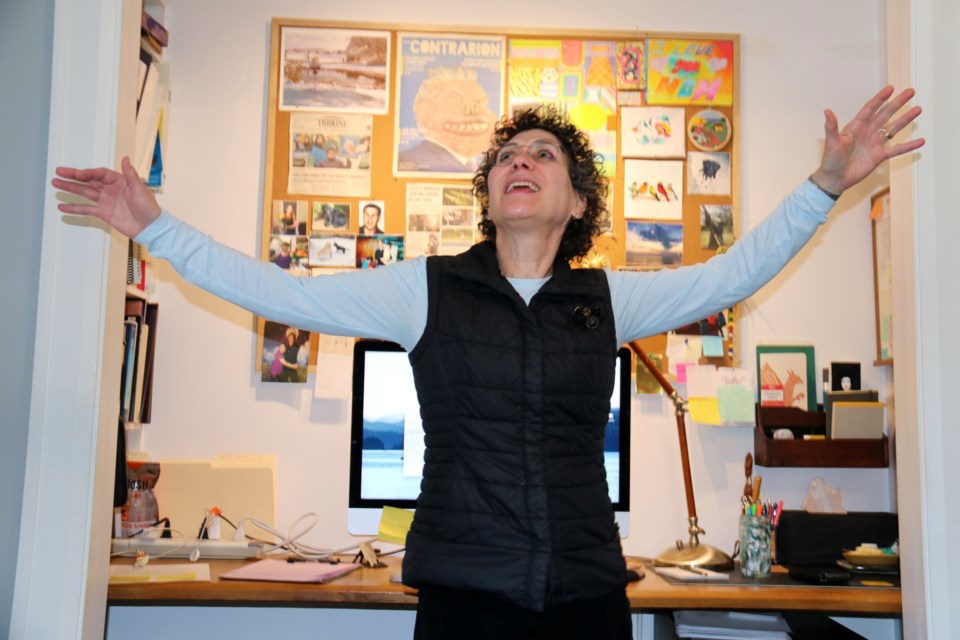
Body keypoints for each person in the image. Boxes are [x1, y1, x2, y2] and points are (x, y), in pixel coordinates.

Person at [51, 86, 923, 639]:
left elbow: (735, 271)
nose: (521, 162)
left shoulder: (608, 301)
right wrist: (155, 228)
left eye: (544, 155)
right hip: (467, 603)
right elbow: (284, 294)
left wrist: (824, 188)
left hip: (587, 602)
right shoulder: (424, 291)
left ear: (576, 202)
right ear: (490, 193)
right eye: (508, 155)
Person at [397, 66, 496, 173]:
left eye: (482, 104)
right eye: (459, 103)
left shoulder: (479, 166)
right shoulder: (408, 159)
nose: (479, 114)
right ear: (425, 112)